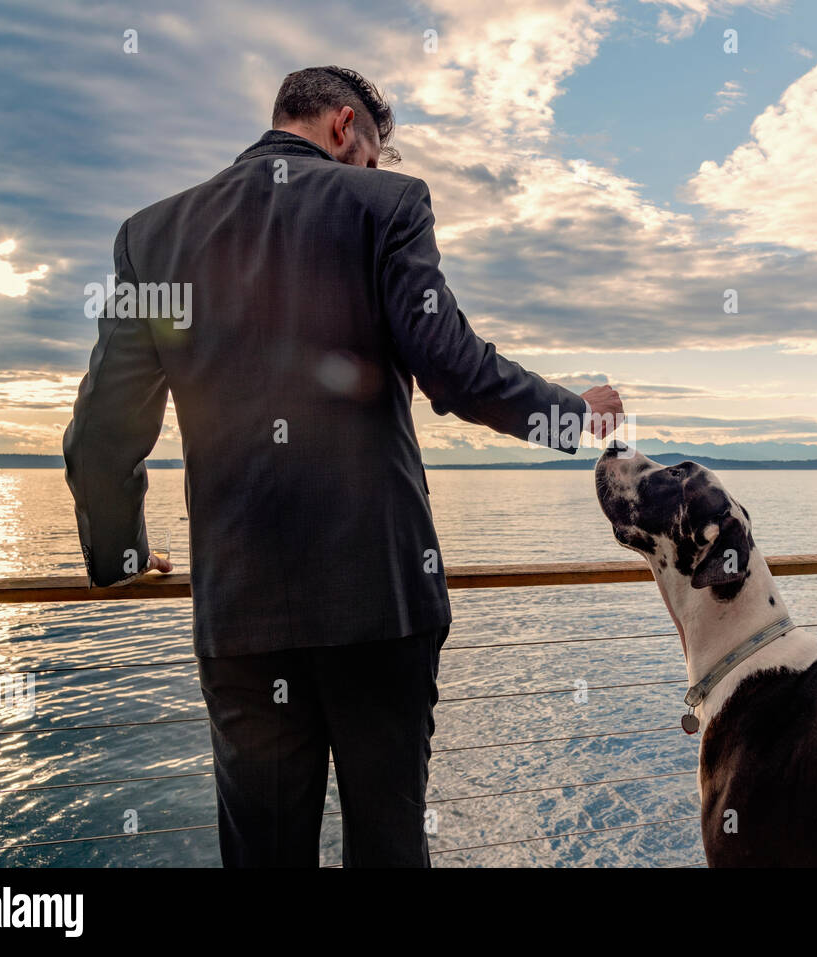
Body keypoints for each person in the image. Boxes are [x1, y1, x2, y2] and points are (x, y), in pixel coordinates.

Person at [62, 65, 623, 867]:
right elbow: (455, 371)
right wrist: (576, 412)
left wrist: (118, 551)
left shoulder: (152, 236)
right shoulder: (388, 207)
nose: (373, 168)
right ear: (342, 124)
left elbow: (102, 430)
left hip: (241, 614)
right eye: (374, 151)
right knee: (390, 847)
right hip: (380, 603)